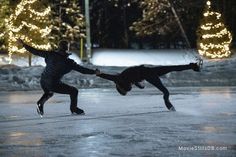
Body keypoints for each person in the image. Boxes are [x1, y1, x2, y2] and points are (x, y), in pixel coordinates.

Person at [17, 39, 100, 116]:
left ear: (58, 47)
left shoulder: (50, 54)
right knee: (74, 91)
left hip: (43, 80)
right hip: (53, 83)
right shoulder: (69, 62)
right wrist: (94, 72)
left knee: (49, 92)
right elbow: (82, 70)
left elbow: (35, 51)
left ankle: (40, 103)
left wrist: (24, 44)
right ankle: (74, 109)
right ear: (67, 48)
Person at [96, 63, 201, 111]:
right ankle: (192, 66)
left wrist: (99, 74)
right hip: (149, 71)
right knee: (172, 68)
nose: (129, 90)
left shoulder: (120, 79)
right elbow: (138, 84)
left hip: (148, 73)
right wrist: (139, 84)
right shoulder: (127, 80)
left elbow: (109, 77)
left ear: (121, 88)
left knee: (166, 90)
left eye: (126, 91)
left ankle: (168, 105)